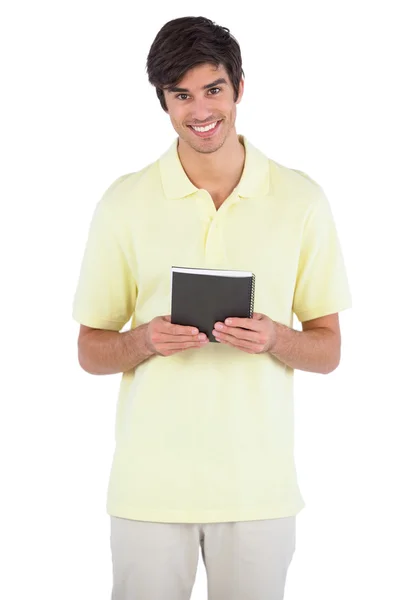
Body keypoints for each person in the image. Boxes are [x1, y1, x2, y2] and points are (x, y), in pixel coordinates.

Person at [72, 15, 352, 600]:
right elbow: (90, 350)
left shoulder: (301, 200)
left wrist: (277, 337)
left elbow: (328, 350)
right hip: (148, 492)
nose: (200, 110)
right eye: (181, 95)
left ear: (239, 87)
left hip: (259, 492)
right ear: (164, 103)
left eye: (213, 89)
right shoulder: (124, 203)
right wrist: (143, 340)